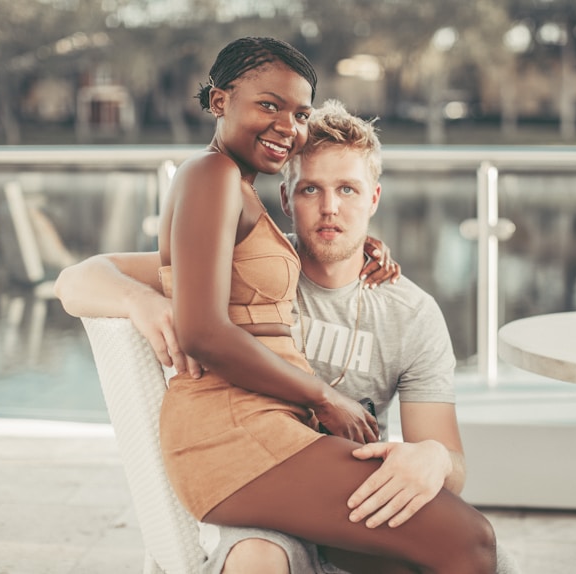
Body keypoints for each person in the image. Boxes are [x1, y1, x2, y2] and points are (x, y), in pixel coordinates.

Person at [56, 37, 496, 573]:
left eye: (300, 113)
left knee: (418, 555)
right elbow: (200, 332)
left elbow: (243, 276)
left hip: (268, 431)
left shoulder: (239, 198)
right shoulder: (211, 175)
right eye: (269, 104)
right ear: (220, 101)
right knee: (469, 539)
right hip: (237, 433)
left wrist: (363, 250)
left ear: (372, 200)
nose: (287, 125)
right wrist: (326, 398)